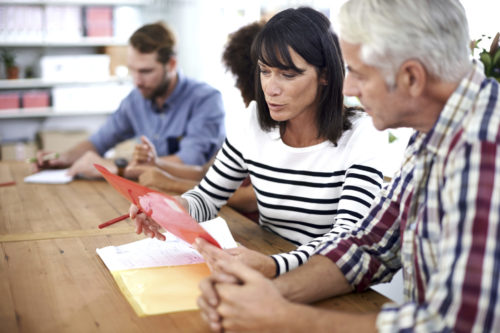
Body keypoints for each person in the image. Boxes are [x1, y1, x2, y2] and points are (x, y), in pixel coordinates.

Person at [195, 0, 500, 332]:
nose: (348, 87)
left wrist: (284, 318)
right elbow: (370, 246)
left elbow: (455, 325)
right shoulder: (435, 131)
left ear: (411, 77)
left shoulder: (482, 148)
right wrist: (268, 294)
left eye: (358, 72)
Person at [131, 7, 389, 279]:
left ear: (325, 75)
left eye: (288, 75)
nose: (271, 88)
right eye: (265, 71)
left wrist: (275, 264)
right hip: (266, 265)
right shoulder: (253, 120)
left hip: (327, 280)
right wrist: (172, 208)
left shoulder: (363, 133)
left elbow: (346, 238)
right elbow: (207, 197)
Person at [34, 22, 226, 179]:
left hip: (199, 201)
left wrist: (113, 168)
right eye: (132, 70)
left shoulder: (206, 100)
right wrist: (63, 157)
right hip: (153, 196)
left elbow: (190, 164)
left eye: (145, 71)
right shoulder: (136, 100)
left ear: (172, 64)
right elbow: (98, 141)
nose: (137, 81)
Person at [131, 21, 266, 216]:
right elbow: (205, 172)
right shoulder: (251, 124)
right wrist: (157, 164)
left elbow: (251, 199)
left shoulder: (275, 127)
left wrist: (169, 182)